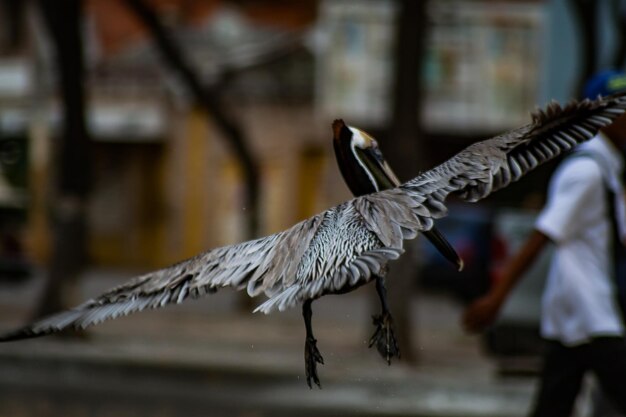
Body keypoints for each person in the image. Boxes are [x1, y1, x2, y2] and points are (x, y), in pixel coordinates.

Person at [462, 70, 626, 417]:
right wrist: (496, 299)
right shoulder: (586, 172)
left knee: (553, 405)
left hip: (577, 315)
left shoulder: (607, 168)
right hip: (592, 313)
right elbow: (541, 237)